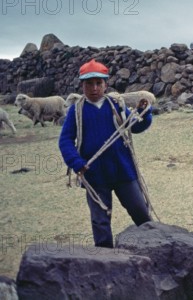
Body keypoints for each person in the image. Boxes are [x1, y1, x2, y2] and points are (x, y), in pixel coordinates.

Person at [59, 59, 153, 248]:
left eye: (98, 83)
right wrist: (76, 162)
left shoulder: (115, 104)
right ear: (82, 85)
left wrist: (144, 114)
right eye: (89, 84)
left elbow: (133, 127)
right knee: (100, 221)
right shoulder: (75, 111)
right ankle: (105, 263)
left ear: (105, 84)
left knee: (140, 212)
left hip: (122, 170)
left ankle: (156, 249)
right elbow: (65, 140)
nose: (94, 88)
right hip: (95, 174)